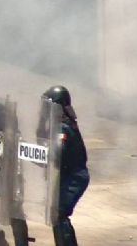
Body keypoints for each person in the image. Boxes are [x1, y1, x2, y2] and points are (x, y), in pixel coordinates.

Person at [42, 86, 89, 246]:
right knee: (56, 214)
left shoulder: (63, 127)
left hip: (74, 178)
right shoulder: (62, 123)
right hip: (67, 175)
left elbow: (58, 153)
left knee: (59, 214)